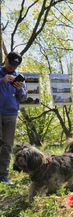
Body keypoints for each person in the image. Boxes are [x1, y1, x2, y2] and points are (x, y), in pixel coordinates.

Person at [0, 51, 27, 184]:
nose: (12, 67)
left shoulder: (19, 77)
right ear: (5, 60)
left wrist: (20, 88)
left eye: (15, 65)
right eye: (11, 64)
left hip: (11, 114)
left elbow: (23, 98)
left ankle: (3, 175)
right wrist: (2, 81)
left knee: (7, 146)